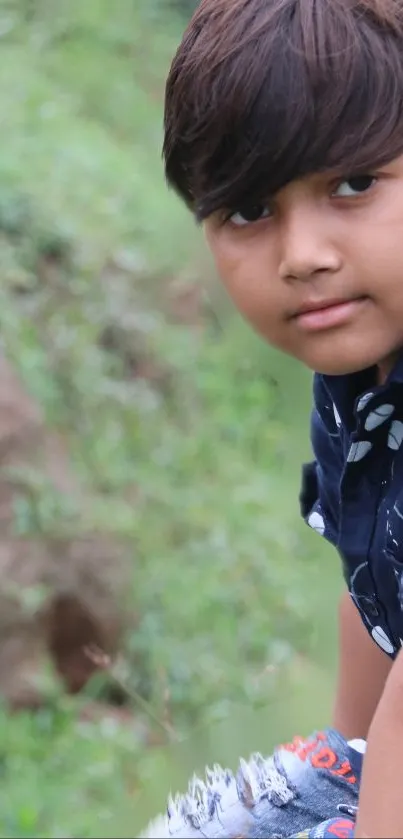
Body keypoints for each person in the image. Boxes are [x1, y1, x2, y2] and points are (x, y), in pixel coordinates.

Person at [143, 0, 403, 834]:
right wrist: (337, 773)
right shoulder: (362, 388)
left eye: (355, 184)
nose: (304, 257)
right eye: (251, 211)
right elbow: (375, 591)